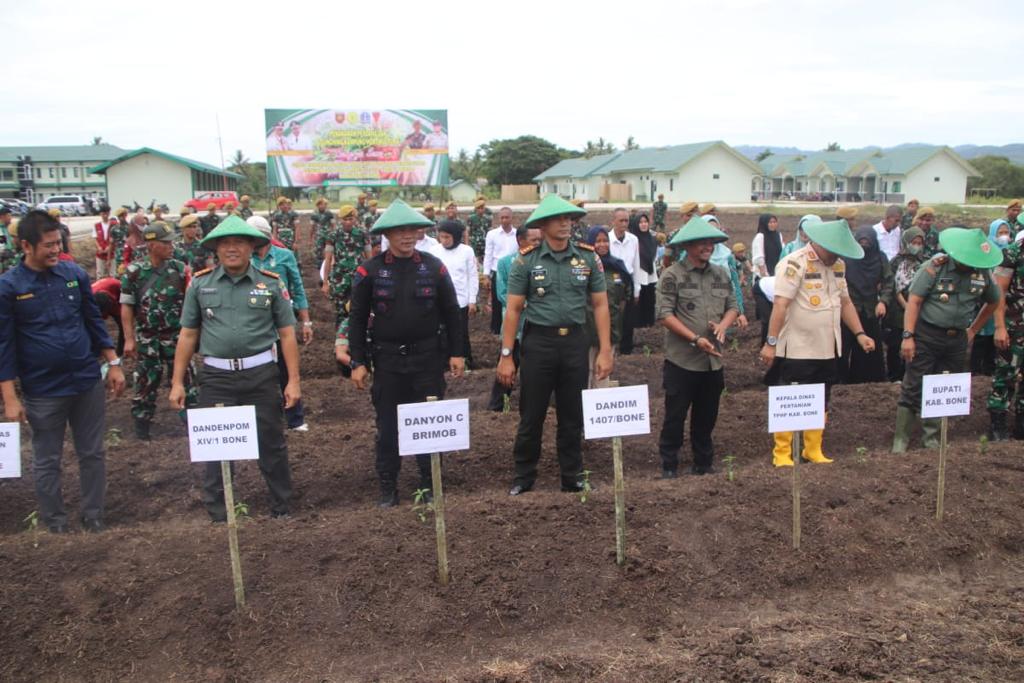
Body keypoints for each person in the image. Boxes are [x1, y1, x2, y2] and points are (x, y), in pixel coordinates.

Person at [0, 210, 126, 532]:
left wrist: (113, 363)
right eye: (49, 245)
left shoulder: (73, 274)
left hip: (85, 380)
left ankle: (94, 515)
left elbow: (93, 321)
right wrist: (10, 398)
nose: (56, 250)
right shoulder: (9, 287)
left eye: (59, 242)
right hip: (43, 389)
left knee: (92, 453)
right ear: (25, 245)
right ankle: (54, 522)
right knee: (46, 459)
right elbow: (4, 345)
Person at [170, 216, 301, 521]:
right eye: (225, 244)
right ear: (215, 249)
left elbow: (286, 334)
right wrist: (177, 381)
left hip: (261, 374)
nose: (231, 249)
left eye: (239, 243)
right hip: (216, 377)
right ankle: (219, 512)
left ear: (251, 247)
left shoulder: (270, 282)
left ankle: (282, 507)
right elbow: (188, 334)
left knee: (271, 442)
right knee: (215, 446)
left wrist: (293, 381)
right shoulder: (200, 284)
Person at [346, 200, 464, 507]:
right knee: (388, 427)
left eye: (412, 230)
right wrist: (357, 361)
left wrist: (458, 352)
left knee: (429, 423)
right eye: (400, 231)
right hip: (387, 362)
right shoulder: (369, 271)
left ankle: (429, 483)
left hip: (427, 360)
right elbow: (357, 319)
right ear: (387, 235)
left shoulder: (433, 266)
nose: (407, 236)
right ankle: (388, 486)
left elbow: (452, 312)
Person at [498, 194, 612, 496]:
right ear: (544, 225)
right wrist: (506, 355)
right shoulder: (526, 260)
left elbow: (600, 305)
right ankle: (523, 475)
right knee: (532, 413)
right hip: (539, 344)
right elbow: (513, 310)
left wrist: (605, 349)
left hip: (575, 342)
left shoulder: (588, 258)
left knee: (572, 414)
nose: (566, 223)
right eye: (559, 219)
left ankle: (572, 475)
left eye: (569, 219)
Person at [759, 220, 874, 466]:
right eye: (834, 251)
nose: (836, 256)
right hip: (798, 347)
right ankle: (782, 453)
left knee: (821, 399)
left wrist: (860, 333)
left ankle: (812, 449)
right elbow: (780, 305)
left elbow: (845, 303)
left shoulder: (838, 265)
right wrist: (771, 343)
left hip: (827, 347)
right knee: (791, 399)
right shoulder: (794, 263)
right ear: (820, 244)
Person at [892, 228, 1002, 451]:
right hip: (926, 335)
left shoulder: (982, 274)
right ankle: (900, 440)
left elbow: (993, 302)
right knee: (914, 384)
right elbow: (914, 301)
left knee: (943, 386)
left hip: (956, 340)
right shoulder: (935, 267)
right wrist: (908, 336)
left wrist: (972, 330)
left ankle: (931, 438)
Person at [657, 217, 739, 477]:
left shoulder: (721, 274)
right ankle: (669, 464)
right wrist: (694, 339)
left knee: (706, 417)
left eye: (711, 243)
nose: (708, 247)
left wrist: (724, 326)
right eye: (702, 243)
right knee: (675, 416)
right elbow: (665, 315)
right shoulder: (672, 276)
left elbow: (733, 307)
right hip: (682, 361)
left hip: (712, 361)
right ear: (688, 246)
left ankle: (703, 464)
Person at [120, 222, 195, 440]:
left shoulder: (180, 270)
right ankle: (142, 430)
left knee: (187, 381)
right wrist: (129, 339)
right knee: (145, 383)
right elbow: (126, 306)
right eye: (166, 242)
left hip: (176, 337)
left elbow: (191, 303)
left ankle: (191, 428)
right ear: (152, 245)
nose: (171, 245)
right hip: (148, 338)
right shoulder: (134, 272)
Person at [249, 215, 313, 432]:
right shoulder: (246, 259)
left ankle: (295, 418)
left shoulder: (285, 256)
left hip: (282, 323)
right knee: (257, 372)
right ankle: (260, 420)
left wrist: (306, 322)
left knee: (287, 369)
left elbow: (298, 287)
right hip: (255, 324)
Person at [487, 223, 543, 411]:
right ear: (521, 241)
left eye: (539, 240)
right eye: (534, 240)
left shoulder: (545, 262)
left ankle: (532, 406)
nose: (538, 243)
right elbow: (503, 293)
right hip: (514, 328)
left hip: (537, 328)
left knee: (535, 373)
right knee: (506, 369)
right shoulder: (505, 263)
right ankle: (497, 408)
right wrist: (524, 303)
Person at [838, 226, 892, 383]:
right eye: (860, 241)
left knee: (869, 348)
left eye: (867, 241)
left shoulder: (881, 258)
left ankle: (866, 381)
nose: (864, 244)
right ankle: (840, 380)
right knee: (842, 347)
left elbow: (888, 281)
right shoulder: (846, 257)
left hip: (871, 309)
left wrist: (883, 301)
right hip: (848, 308)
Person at [988, 223, 1024, 440]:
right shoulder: (1012, 252)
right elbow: (998, 291)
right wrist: (1000, 326)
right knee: (1006, 375)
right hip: (1014, 326)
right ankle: (997, 427)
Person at [430, 220, 479, 370]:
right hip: (439, 301)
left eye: (447, 237)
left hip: (461, 300)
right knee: (440, 332)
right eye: (441, 237)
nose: (443, 241)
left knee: (460, 332)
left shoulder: (466, 251)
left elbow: (472, 276)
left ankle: (466, 361)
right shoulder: (434, 251)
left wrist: (472, 300)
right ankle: (444, 363)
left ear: (456, 236)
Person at [585, 226, 630, 387]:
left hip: (611, 328)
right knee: (586, 370)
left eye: (605, 241)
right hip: (587, 329)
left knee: (603, 371)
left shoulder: (617, 266)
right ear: (590, 243)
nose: (602, 245)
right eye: (598, 241)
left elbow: (625, 297)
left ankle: (599, 408)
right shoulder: (583, 268)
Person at [971, 220, 1014, 377]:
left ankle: (989, 367)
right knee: (981, 334)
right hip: (985, 297)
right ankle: (975, 368)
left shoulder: (1011, 253)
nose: (1004, 236)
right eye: (1000, 232)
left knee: (993, 337)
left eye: (1006, 232)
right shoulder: (987, 250)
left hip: (1001, 301)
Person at [884, 227, 926, 382]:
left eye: (919, 243)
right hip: (897, 311)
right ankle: (894, 375)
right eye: (913, 242)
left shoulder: (924, 263)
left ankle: (910, 375)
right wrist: (906, 305)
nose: (916, 246)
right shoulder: (896, 262)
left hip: (919, 311)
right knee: (895, 344)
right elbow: (892, 286)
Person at [322, 205, 371, 327]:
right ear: (340, 219)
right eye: (345, 219)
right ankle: (341, 339)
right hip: (339, 278)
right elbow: (328, 259)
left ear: (356, 218)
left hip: (359, 277)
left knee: (360, 308)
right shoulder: (333, 235)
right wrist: (325, 282)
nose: (348, 222)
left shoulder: (363, 234)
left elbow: (369, 259)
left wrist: (372, 279)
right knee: (340, 312)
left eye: (351, 218)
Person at [705, 215, 747, 329]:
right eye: (708, 229)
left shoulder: (727, 255)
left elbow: (734, 283)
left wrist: (740, 312)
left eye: (715, 229)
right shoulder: (691, 254)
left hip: (722, 304)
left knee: (720, 336)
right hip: (699, 308)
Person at [609, 208, 641, 354]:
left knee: (628, 317)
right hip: (611, 282)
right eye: (621, 220)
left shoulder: (633, 240)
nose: (624, 223)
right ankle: (611, 345)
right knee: (612, 315)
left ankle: (626, 348)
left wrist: (637, 289)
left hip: (628, 280)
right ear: (613, 221)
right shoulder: (606, 240)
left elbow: (636, 264)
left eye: (626, 220)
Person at [483, 207, 519, 335]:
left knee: (514, 298)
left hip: (515, 271)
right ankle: (497, 328)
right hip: (497, 272)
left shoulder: (518, 234)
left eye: (506, 217)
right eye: (502, 218)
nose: (504, 220)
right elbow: (488, 255)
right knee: (498, 300)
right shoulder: (492, 234)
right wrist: (486, 275)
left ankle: (514, 325)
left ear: (512, 218)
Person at [751, 213, 783, 345]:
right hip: (764, 278)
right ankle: (764, 343)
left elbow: (782, 253)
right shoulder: (760, 236)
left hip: (777, 275)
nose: (772, 225)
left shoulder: (778, 235)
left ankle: (776, 341)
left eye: (774, 222)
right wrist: (766, 276)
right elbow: (759, 258)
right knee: (767, 316)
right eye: (770, 222)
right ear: (764, 223)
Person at [630, 212, 658, 328]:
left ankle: (649, 321)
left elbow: (654, 255)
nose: (643, 225)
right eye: (640, 222)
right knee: (640, 297)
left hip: (651, 273)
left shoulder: (652, 239)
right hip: (639, 272)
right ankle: (639, 322)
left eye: (645, 222)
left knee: (650, 297)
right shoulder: (633, 239)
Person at [92, 276, 125, 355]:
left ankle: (120, 351)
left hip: (116, 294)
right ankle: (95, 349)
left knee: (123, 325)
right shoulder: (88, 298)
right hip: (99, 296)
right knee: (94, 325)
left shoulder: (117, 287)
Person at [311, 197, 336, 265]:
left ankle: (330, 262)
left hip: (328, 234)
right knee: (318, 249)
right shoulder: (314, 215)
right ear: (317, 205)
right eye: (320, 204)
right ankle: (320, 264)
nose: (322, 206)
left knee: (329, 248)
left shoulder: (329, 214)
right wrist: (311, 237)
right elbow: (312, 226)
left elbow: (333, 225)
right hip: (318, 234)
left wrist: (333, 233)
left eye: (324, 204)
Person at [94, 206, 117, 278]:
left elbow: (115, 239)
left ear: (109, 213)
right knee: (100, 274)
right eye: (103, 214)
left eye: (106, 214)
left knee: (112, 274)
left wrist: (110, 247)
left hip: (112, 253)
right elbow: (95, 238)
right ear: (100, 214)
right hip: (100, 254)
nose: (105, 216)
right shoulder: (96, 225)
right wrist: (98, 247)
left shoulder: (114, 225)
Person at [0, 205, 18, 275]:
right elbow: (2, 246)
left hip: (9, 261)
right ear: (2, 217)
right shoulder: (1, 230)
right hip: (3, 263)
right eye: (9, 216)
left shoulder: (6, 228)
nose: (11, 218)